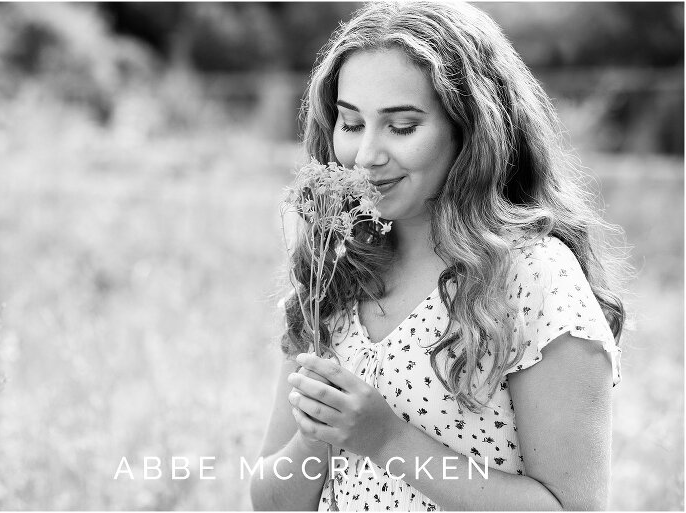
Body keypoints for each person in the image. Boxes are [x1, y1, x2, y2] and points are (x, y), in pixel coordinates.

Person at [250, 1, 626, 510]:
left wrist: (388, 441)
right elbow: (273, 503)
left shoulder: (534, 276)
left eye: (402, 127)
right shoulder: (333, 270)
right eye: (351, 123)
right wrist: (317, 437)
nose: (366, 156)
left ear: (469, 129)